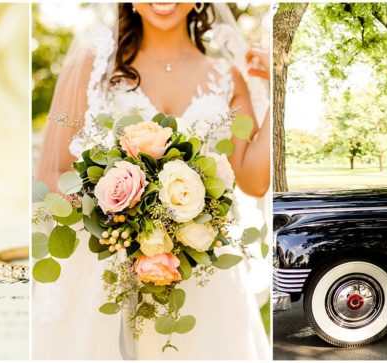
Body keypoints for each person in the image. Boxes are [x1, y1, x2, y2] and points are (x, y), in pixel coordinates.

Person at [34, 3, 270, 359]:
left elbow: (253, 181)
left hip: (202, 272)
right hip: (102, 267)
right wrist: (120, 218)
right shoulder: (92, 67)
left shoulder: (227, 76)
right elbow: (51, 173)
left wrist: (280, 91)